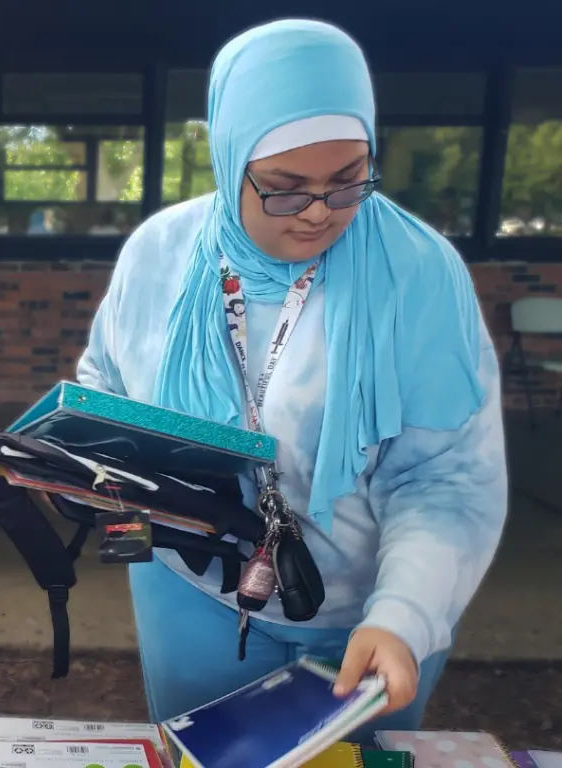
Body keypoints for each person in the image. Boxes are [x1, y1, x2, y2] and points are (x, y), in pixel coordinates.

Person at [76, 19, 507, 739]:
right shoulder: (161, 253)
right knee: (203, 753)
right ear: (228, 157)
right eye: (283, 189)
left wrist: (404, 615)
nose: (317, 213)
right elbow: (108, 385)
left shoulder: (418, 274)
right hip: (193, 586)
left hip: (371, 608)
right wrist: (85, 464)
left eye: (349, 183)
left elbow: (447, 478)